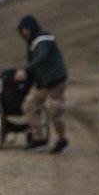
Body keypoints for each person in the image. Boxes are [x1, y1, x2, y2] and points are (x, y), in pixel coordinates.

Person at [15, 15, 70, 155]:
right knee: (28, 105)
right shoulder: (33, 42)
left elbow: (43, 57)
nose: (24, 33)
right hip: (43, 83)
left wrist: (26, 70)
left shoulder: (43, 39)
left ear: (31, 27)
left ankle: (62, 141)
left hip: (56, 81)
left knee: (54, 111)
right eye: (22, 30)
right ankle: (39, 138)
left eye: (25, 29)